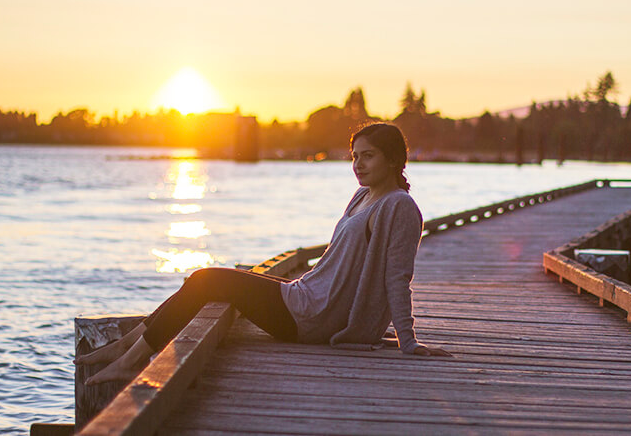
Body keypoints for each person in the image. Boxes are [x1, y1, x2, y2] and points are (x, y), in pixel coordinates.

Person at [78, 122, 450, 386]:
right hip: (307, 297)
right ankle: (126, 348)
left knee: (209, 279)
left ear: (393, 159)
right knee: (200, 278)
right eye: (354, 156)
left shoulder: (399, 207)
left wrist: (409, 340)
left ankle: (130, 360)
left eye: (368, 156)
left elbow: (397, 276)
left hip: (314, 317)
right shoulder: (363, 196)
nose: (358, 165)